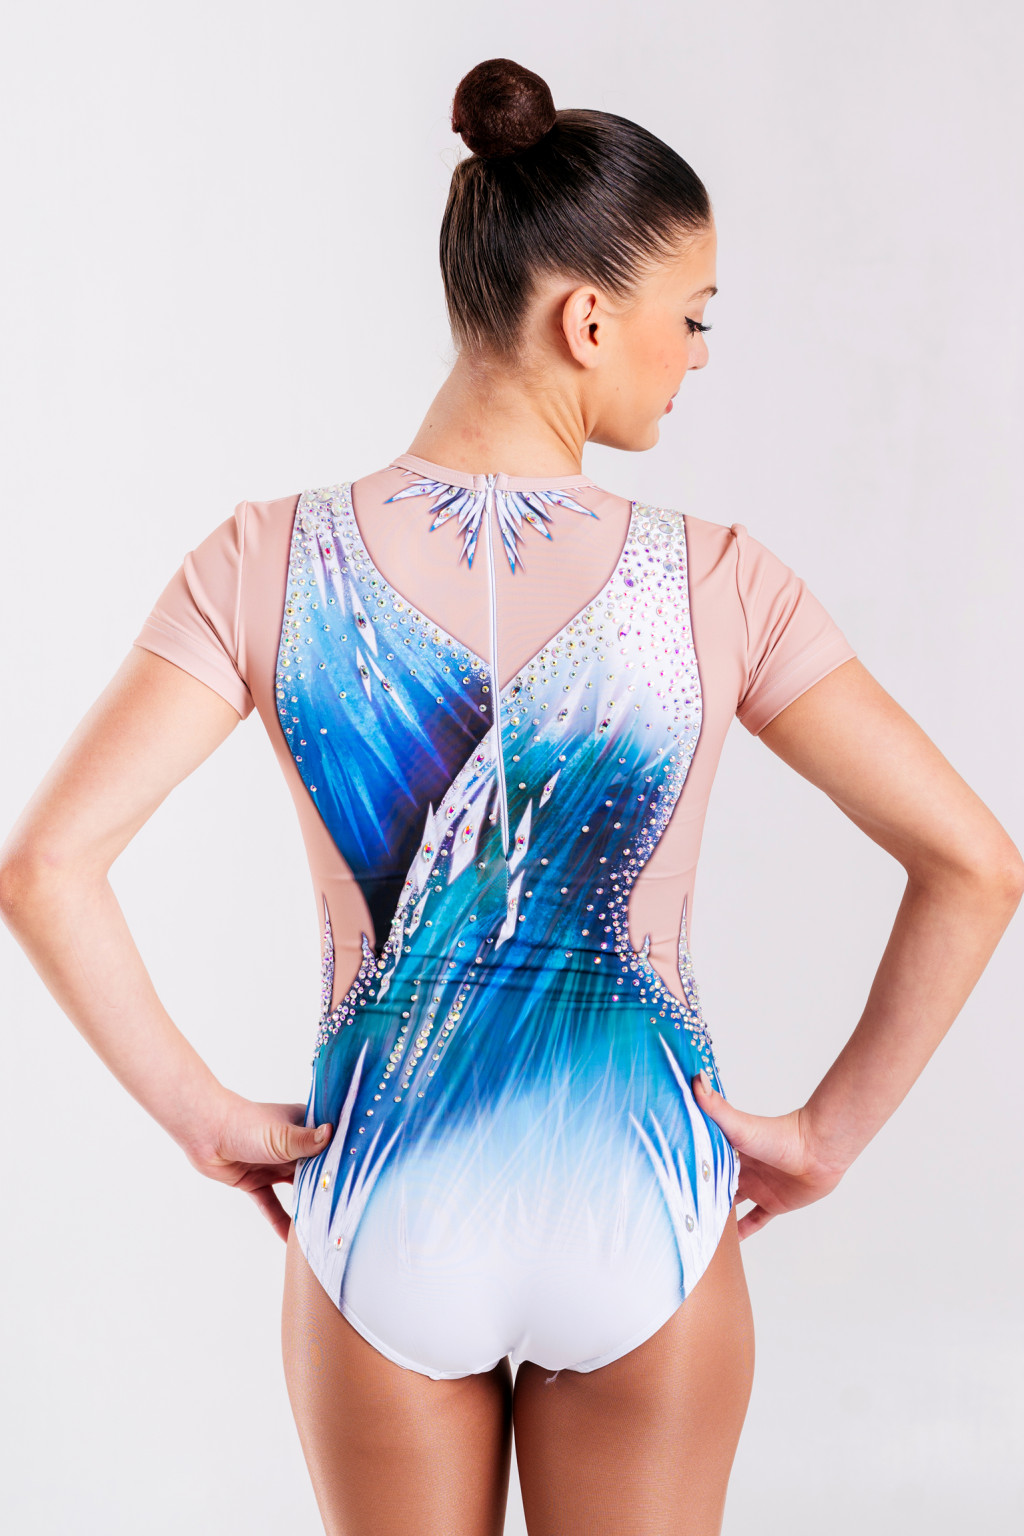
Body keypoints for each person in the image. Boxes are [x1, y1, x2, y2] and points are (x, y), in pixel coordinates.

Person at [1, 54, 1020, 1536]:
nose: (699, 356)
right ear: (588, 321)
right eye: (694, 317)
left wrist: (198, 1114)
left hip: (383, 1194)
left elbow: (44, 868)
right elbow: (977, 864)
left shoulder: (264, 560)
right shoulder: (720, 581)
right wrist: (826, 1135)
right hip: (641, 1197)